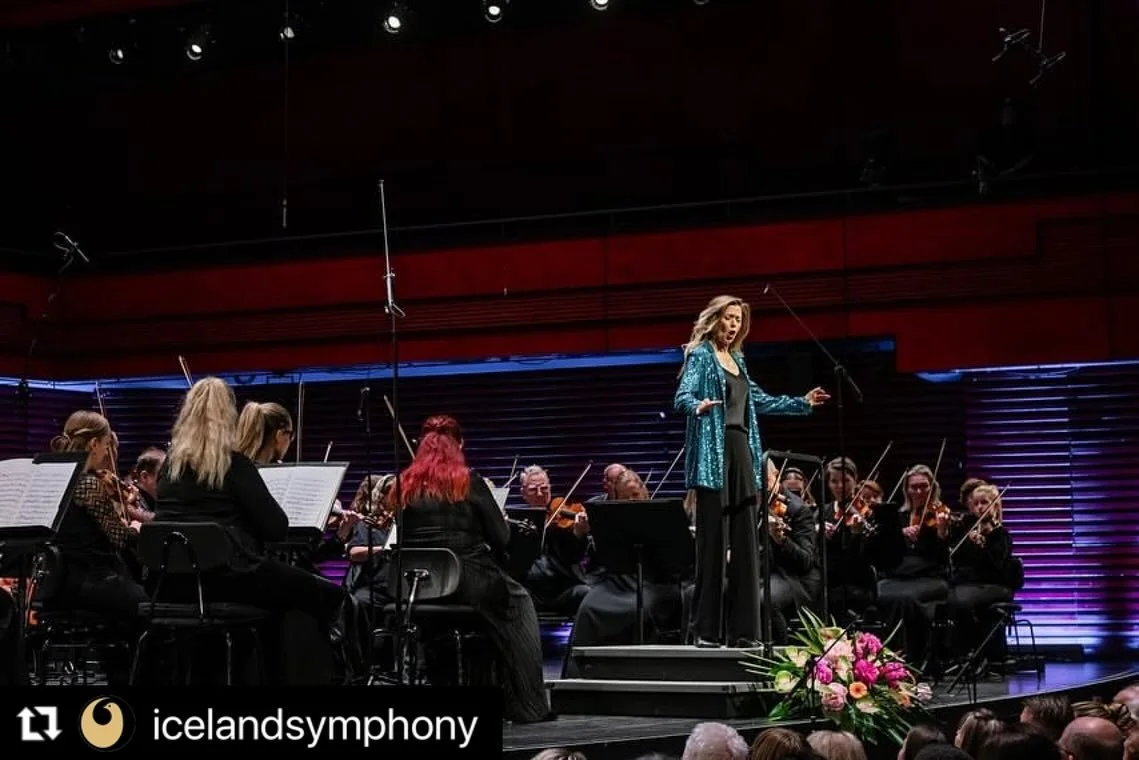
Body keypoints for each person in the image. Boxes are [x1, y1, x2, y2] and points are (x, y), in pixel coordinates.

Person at [155, 377, 349, 685]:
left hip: (170, 584)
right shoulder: (233, 465)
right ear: (228, 418)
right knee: (327, 593)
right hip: (227, 579)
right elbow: (275, 528)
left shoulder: (169, 468)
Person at [674, 294, 828, 647]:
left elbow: (759, 400)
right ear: (714, 319)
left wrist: (801, 403)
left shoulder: (739, 361)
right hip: (715, 452)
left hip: (744, 452)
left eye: (738, 320)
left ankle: (746, 632)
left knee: (745, 541)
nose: (733, 325)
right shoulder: (700, 355)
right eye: (728, 317)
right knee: (713, 543)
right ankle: (706, 631)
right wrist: (698, 405)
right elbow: (682, 395)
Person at [392, 414, 550, 723]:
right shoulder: (468, 480)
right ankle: (528, 705)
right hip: (466, 578)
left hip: (415, 583)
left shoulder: (405, 483)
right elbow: (502, 537)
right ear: (459, 444)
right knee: (520, 604)